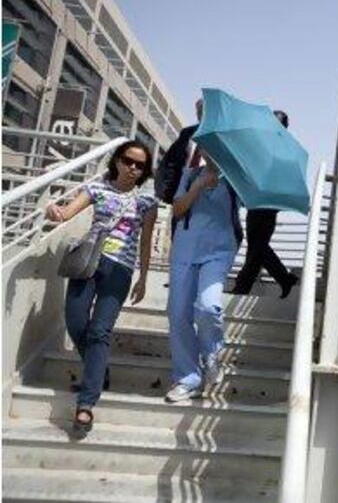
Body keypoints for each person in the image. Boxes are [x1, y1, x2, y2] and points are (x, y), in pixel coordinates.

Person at [45, 140, 157, 436]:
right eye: (128, 161)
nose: (133, 168)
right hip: (88, 263)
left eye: (140, 165)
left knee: (100, 332)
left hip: (120, 270)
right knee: (76, 322)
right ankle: (99, 369)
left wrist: (143, 277)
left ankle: (86, 405)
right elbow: (66, 214)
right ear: (117, 161)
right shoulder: (97, 188)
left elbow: (145, 243)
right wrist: (53, 211)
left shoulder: (147, 202)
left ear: (145, 171)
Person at [165, 149, 242, 403]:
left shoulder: (236, 179)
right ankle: (187, 378)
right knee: (178, 315)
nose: (213, 151)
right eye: (208, 145)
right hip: (185, 251)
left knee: (209, 307)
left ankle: (211, 352)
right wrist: (197, 186)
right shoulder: (189, 175)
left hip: (218, 252)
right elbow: (177, 210)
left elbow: (253, 203)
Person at [227, 110, 298, 297]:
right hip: (256, 200)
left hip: (269, 201)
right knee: (257, 245)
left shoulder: (284, 148)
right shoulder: (264, 144)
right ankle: (278, 279)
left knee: (257, 245)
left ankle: (247, 283)